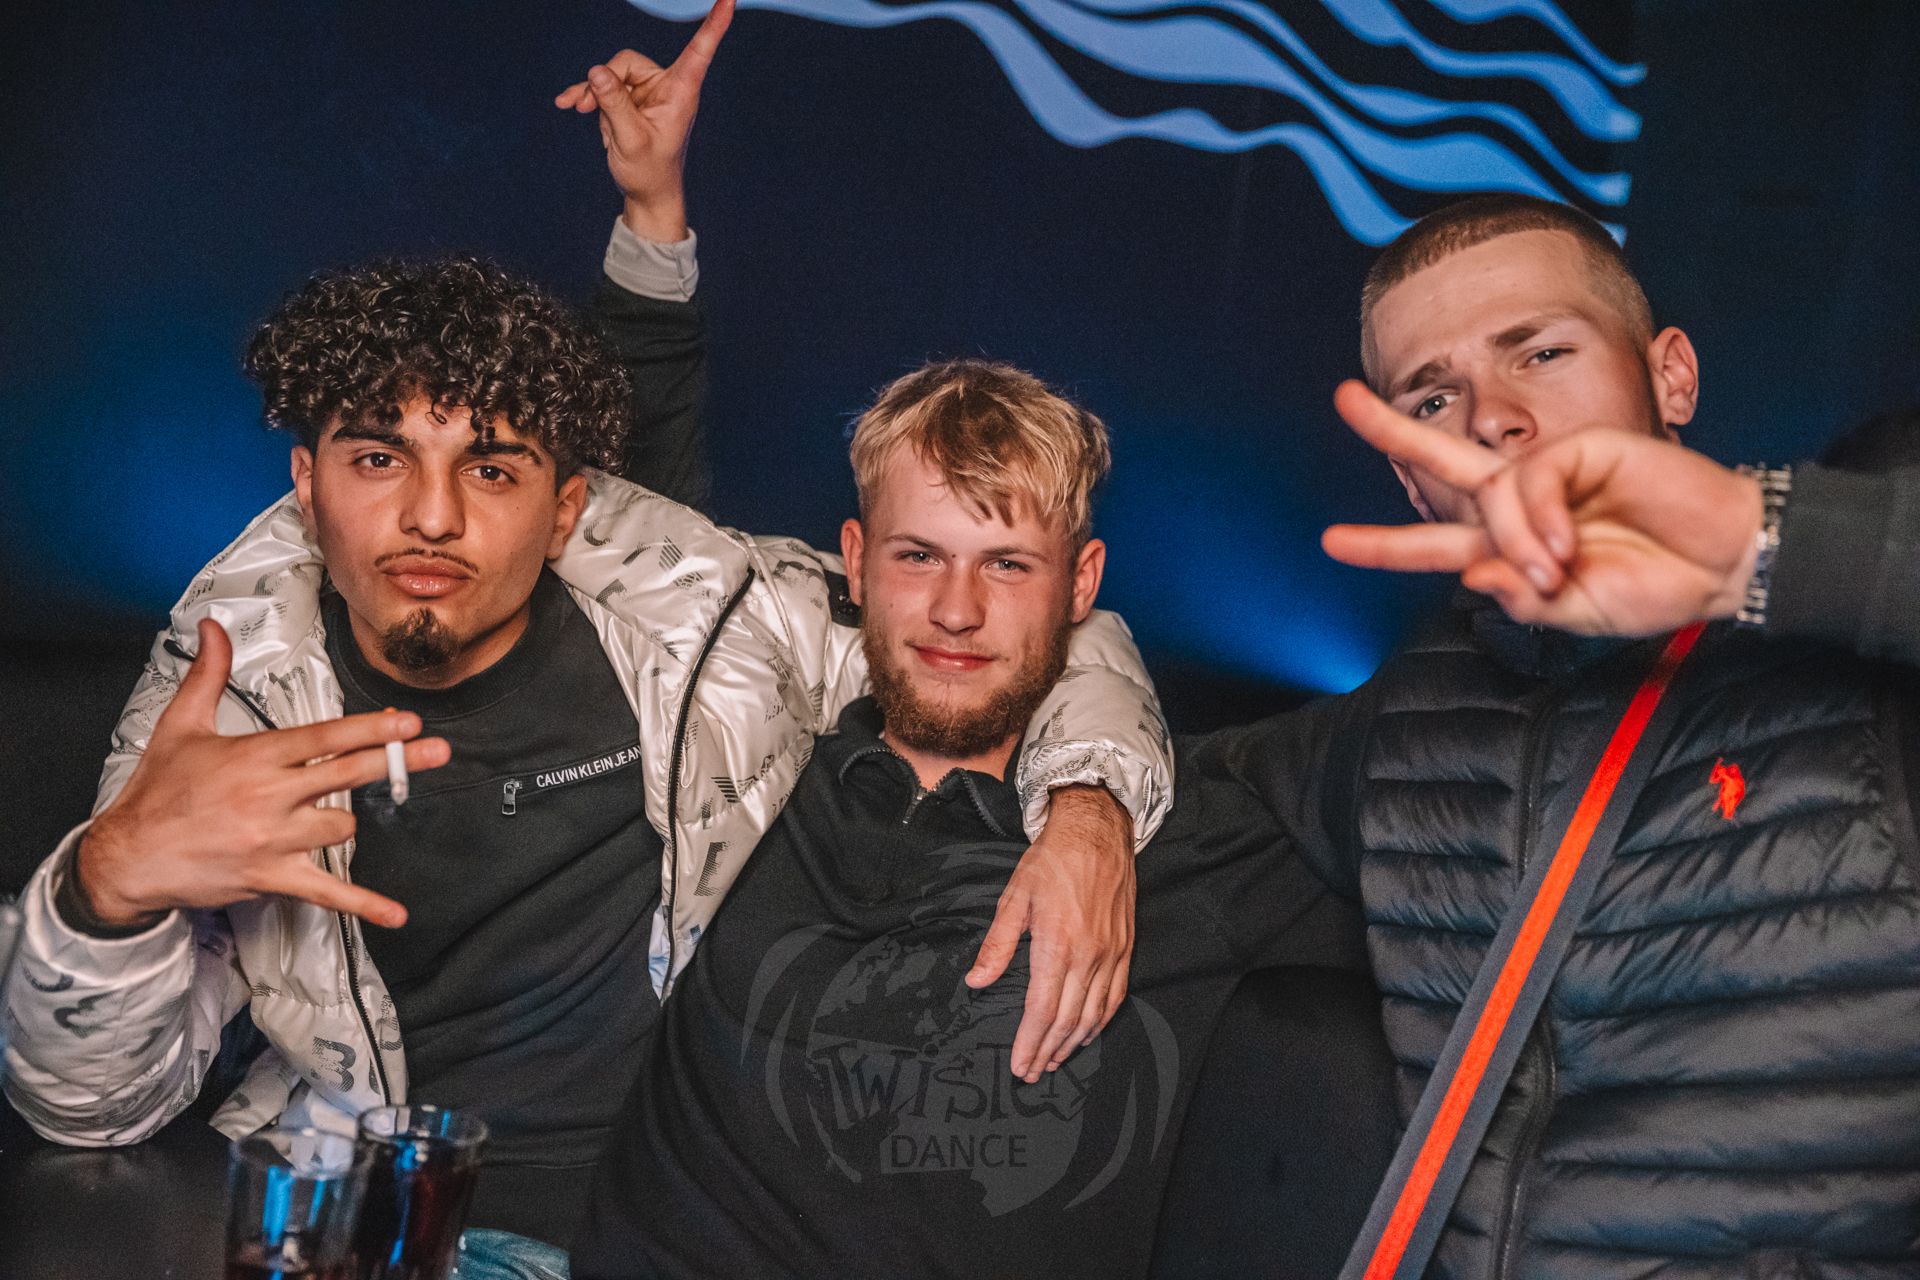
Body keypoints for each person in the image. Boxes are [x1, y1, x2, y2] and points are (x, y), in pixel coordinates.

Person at [0, 42, 1177, 1258]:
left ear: (564, 506)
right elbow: (86, 1112)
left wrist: (1088, 808)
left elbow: (1032, 629)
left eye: (490, 469)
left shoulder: (721, 622)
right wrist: (106, 885)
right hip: (402, 1225)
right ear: (307, 484)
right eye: (378, 457)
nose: (431, 516)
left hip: (690, 1225)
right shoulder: (228, 697)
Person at [569, 358, 1372, 1280]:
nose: (956, 610)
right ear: (857, 562)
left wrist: (1091, 809)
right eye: (918, 556)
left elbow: (1442, 756)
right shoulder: (736, 778)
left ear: (1081, 584)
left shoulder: (1188, 838)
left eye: (1007, 564)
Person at [1267, 194, 1920, 1277]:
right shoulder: (1406, 714)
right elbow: (1183, 795)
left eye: (1542, 353)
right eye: (1433, 397)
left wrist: (1752, 545)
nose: (1492, 418)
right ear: (1411, 479)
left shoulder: (1859, 668)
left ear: (1672, 378)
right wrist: (1091, 799)